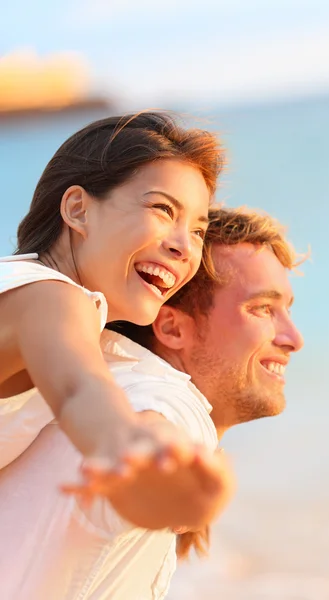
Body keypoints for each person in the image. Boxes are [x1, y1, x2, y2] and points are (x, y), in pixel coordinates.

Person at [0, 206, 304, 599]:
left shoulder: (92, 387)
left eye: (287, 310)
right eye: (262, 309)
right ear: (173, 327)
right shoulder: (164, 399)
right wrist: (163, 461)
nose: (293, 338)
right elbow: (154, 424)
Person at [0, 111, 233, 531]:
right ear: (78, 210)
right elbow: (78, 391)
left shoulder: (26, 292)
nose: (185, 247)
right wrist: (130, 447)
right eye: (163, 209)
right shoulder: (49, 296)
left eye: (198, 230)